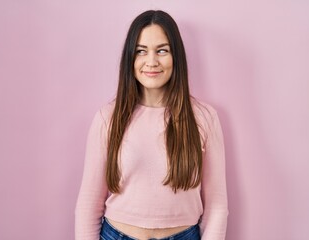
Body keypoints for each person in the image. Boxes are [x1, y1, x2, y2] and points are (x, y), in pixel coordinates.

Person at [75, 10, 228, 240]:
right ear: (130, 58)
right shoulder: (108, 118)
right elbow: (88, 205)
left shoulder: (204, 118)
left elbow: (217, 206)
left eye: (162, 50)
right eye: (141, 51)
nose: (151, 61)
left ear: (176, 56)